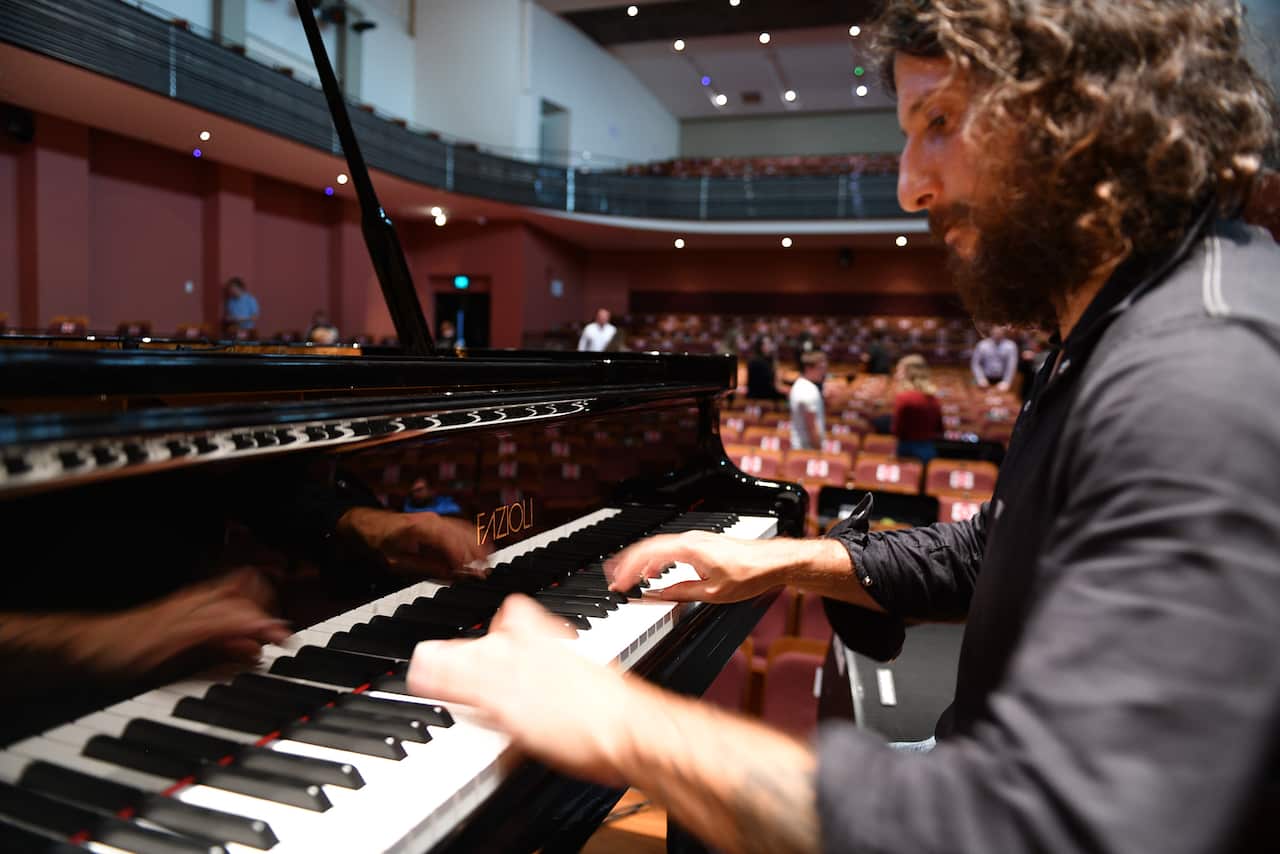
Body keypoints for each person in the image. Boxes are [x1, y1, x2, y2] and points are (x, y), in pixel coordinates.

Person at [405, 2, 1280, 853]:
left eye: (938, 119)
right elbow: (994, 555)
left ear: (1079, 111)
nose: (909, 185)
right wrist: (781, 561)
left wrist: (614, 720)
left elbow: (1046, 829)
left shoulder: (1199, 379)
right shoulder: (1114, 329)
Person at [890, 354, 943, 462]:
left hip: (907, 452)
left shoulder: (904, 398)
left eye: (898, 371)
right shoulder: (933, 398)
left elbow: (897, 430)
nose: (895, 375)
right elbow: (939, 429)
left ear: (908, 373)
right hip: (928, 450)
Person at [788, 351, 827, 451]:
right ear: (808, 369)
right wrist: (819, 449)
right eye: (820, 368)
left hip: (801, 447)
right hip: (807, 449)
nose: (823, 372)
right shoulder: (808, 391)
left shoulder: (800, 384)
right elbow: (811, 427)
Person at [969, 324, 1018, 390]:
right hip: (984, 378)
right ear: (991, 330)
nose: (998, 332)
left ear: (1004, 331)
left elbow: (1011, 366)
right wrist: (980, 378)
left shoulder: (1010, 346)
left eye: (1000, 330)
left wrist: (1007, 382)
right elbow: (975, 364)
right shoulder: (982, 345)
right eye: (996, 330)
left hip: (1002, 380)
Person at [744, 336, 789, 407]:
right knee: (788, 396)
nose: (770, 346)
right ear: (761, 346)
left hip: (764, 391)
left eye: (770, 343)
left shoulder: (767, 360)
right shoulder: (757, 361)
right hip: (760, 393)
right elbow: (771, 383)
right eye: (767, 344)